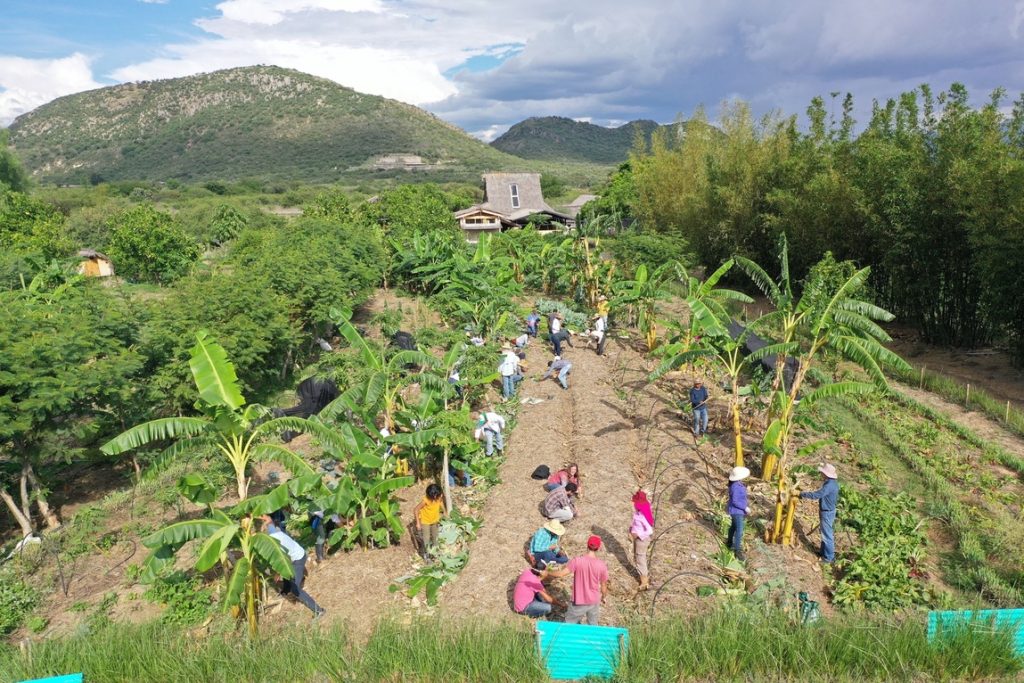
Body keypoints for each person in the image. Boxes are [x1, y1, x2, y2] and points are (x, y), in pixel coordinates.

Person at [261, 515, 325, 619]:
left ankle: (319, 610)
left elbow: (283, 561)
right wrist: (261, 516)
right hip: (296, 553)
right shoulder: (273, 531)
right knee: (287, 574)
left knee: (296, 589)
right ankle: (286, 591)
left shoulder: (275, 545)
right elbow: (269, 520)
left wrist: (277, 574)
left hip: (299, 558)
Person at [565, 535, 609, 625]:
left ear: (587, 545)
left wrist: (548, 572)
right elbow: (604, 586)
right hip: (594, 601)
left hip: (579, 600)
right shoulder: (602, 565)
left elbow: (562, 573)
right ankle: (591, 639)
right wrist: (604, 597)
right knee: (593, 625)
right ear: (598, 548)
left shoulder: (577, 561)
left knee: (569, 624)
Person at [800, 463, 839, 563]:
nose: (821, 474)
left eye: (822, 472)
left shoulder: (829, 485)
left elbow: (817, 495)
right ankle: (823, 552)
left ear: (826, 474)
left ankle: (829, 558)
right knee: (824, 533)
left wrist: (802, 494)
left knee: (827, 535)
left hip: (827, 513)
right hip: (828, 511)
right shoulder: (831, 483)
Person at [413, 483, 446, 560]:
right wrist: (418, 523)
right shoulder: (426, 500)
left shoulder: (439, 496)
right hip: (425, 521)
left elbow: (441, 502)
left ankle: (435, 552)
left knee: (435, 537)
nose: (435, 498)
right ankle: (426, 555)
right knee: (426, 539)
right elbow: (416, 510)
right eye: (433, 497)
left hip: (434, 520)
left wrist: (444, 511)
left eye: (436, 496)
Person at [630, 490, 655, 590]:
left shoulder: (643, 516)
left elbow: (649, 530)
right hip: (638, 539)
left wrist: (638, 535)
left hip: (641, 540)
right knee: (638, 557)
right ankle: (643, 577)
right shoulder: (640, 512)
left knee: (640, 559)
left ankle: (644, 582)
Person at [726, 466, 752, 561]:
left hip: (735, 510)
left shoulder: (736, 484)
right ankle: (737, 550)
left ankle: (729, 543)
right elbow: (735, 501)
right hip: (737, 511)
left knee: (733, 527)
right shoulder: (736, 487)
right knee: (739, 530)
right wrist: (745, 508)